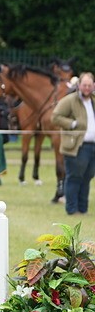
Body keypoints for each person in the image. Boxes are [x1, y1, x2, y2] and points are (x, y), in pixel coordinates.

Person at [51, 71, 95, 215]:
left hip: (92, 146)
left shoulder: (93, 100)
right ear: (79, 85)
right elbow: (55, 117)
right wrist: (72, 123)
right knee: (74, 177)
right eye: (84, 85)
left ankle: (83, 209)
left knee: (87, 178)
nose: (87, 88)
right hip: (76, 147)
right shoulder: (70, 100)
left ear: (93, 85)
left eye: (89, 85)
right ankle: (72, 209)